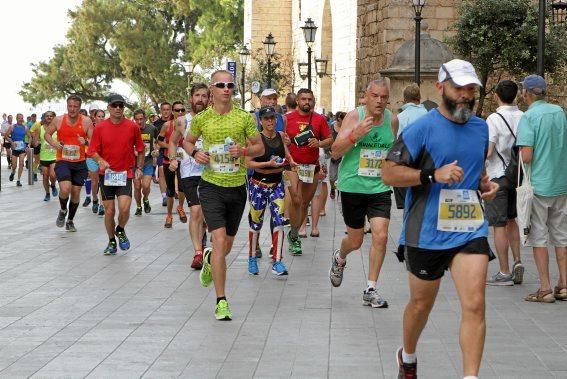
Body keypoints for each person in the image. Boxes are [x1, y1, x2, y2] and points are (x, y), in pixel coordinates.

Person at [381, 59, 498, 379]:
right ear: (442, 86)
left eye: (471, 89)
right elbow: (388, 172)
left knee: (475, 304)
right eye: (459, 88)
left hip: (469, 227)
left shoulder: (480, 127)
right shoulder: (421, 128)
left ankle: (470, 376)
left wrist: (484, 183)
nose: (466, 95)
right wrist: (432, 175)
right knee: (421, 305)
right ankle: (407, 356)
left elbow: (475, 170)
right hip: (426, 231)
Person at [183, 70, 264, 320]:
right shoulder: (202, 118)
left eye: (230, 85)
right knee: (218, 241)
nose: (226, 89)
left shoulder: (244, 117)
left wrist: (243, 150)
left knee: (226, 246)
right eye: (221, 85)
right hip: (210, 186)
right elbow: (187, 142)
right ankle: (221, 301)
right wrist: (195, 153)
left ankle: (209, 260)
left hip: (237, 187)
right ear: (213, 89)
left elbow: (259, 147)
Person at [329, 79, 398, 309]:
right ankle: (340, 257)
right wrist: (354, 135)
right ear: (365, 97)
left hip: (379, 188)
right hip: (352, 187)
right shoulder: (353, 117)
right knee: (356, 240)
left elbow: (391, 152)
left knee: (381, 235)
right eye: (375, 96)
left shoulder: (392, 120)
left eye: (384, 97)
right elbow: (335, 152)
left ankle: (371, 288)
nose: (379, 101)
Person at [516, 74, 567, 303]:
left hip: (538, 185)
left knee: (539, 236)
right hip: (561, 182)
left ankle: (545, 287)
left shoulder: (529, 117)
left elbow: (526, 156)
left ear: (526, 93)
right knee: (561, 235)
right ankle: (564, 285)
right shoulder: (559, 113)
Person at [88, 94, 144, 255]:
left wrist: (139, 168)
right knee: (110, 211)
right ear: (109, 108)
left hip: (125, 173)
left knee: (125, 209)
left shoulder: (132, 126)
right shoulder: (100, 127)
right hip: (106, 175)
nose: (118, 108)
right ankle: (112, 241)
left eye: (120, 105)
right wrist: (100, 160)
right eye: (114, 105)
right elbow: (92, 151)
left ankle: (120, 229)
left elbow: (140, 149)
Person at [245, 106, 295, 276]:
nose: (270, 121)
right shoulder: (255, 139)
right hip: (258, 184)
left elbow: (287, 154)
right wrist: (267, 164)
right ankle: (252, 258)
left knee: (279, 220)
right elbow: (248, 163)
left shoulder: (281, 136)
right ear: (260, 121)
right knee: (256, 222)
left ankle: (277, 260)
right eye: (266, 118)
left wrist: (291, 162)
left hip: (277, 184)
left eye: (272, 118)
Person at [484, 80, 524, 286]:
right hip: (517, 176)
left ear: (497, 96)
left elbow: (489, 150)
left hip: (498, 176)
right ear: (516, 95)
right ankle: (518, 260)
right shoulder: (524, 117)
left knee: (498, 224)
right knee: (511, 219)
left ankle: (504, 271)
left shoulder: (493, 118)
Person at [284, 88, 333, 255]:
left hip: (311, 166)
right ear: (297, 101)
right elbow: (278, 138)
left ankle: (294, 234)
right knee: (296, 200)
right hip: (291, 166)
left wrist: (318, 143)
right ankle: (295, 234)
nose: (307, 102)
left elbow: (329, 139)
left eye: (310, 99)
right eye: (303, 99)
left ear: (314, 101)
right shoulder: (287, 118)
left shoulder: (319, 119)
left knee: (304, 203)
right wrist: (283, 140)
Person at [168, 83, 210, 270]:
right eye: (197, 95)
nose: (200, 99)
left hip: (212, 171)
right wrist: (172, 159)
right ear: (191, 98)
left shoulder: (214, 118)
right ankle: (198, 253)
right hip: (189, 171)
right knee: (195, 211)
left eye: (204, 96)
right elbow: (172, 141)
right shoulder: (182, 121)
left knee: (207, 214)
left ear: (209, 99)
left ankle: (203, 236)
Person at [45, 95, 94, 232]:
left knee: (76, 192)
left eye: (75, 106)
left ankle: (70, 220)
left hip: (80, 163)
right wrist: (55, 143)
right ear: (67, 106)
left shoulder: (86, 121)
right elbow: (47, 135)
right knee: (65, 188)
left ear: (79, 107)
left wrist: (86, 142)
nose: (72, 109)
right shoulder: (59, 120)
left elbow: (94, 141)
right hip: (63, 160)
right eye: (70, 106)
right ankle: (62, 210)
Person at [394, 84, 429, 210]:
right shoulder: (428, 115)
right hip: (425, 165)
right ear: (419, 98)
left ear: (404, 99)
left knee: (406, 205)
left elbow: (398, 142)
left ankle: (408, 227)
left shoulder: (400, 117)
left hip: (406, 165)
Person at [157, 101, 188, 228]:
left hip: (184, 160)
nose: (180, 112)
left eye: (182, 110)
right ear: (172, 112)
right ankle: (169, 215)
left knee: (182, 187)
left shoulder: (189, 124)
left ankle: (180, 207)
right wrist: (170, 146)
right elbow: (159, 140)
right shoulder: (167, 125)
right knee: (170, 190)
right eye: (177, 110)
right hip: (168, 159)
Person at [132, 109, 157, 216]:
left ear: (145, 119)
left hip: (148, 161)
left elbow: (158, 141)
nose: (139, 122)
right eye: (137, 119)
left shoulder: (152, 128)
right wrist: (132, 150)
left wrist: (157, 150)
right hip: (134, 163)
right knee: (137, 186)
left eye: (141, 119)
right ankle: (138, 207)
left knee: (146, 186)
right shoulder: (131, 129)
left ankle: (145, 199)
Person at [35, 111, 58, 201]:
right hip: (44, 156)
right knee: (45, 176)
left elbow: (62, 140)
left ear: (54, 117)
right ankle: (47, 193)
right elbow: (35, 142)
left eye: (51, 116)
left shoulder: (57, 129)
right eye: (47, 116)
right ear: (44, 118)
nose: (49, 117)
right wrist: (36, 142)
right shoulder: (40, 129)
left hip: (54, 156)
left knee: (53, 174)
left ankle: (53, 185)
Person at [87, 109, 106, 216]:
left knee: (103, 182)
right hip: (92, 157)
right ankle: (94, 200)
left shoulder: (107, 127)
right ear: (94, 117)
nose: (101, 118)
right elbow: (88, 141)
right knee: (95, 183)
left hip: (103, 158)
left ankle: (102, 205)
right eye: (99, 116)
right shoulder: (90, 127)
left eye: (102, 116)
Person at [154, 102, 172, 206]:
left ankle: (175, 191)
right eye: (163, 109)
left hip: (174, 150)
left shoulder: (175, 122)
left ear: (170, 110)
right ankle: (164, 196)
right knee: (161, 170)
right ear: (160, 111)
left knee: (175, 170)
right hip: (161, 150)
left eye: (167, 109)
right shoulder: (156, 124)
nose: (165, 111)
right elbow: (155, 140)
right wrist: (155, 151)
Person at [5, 113, 32, 187]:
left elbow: (30, 137)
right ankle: (13, 172)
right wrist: (12, 142)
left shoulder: (25, 128)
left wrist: (28, 145)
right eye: (19, 118)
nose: (21, 119)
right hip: (14, 149)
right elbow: (6, 136)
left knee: (21, 163)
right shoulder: (12, 127)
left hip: (22, 148)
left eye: (22, 118)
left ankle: (18, 180)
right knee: (14, 166)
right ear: (16, 119)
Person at [328, 111, 346, 199]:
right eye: (344, 120)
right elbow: (326, 139)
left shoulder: (347, 128)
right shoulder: (331, 127)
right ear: (339, 119)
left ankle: (340, 191)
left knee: (342, 176)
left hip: (344, 155)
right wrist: (329, 151)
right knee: (332, 177)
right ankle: (332, 188)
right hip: (334, 155)